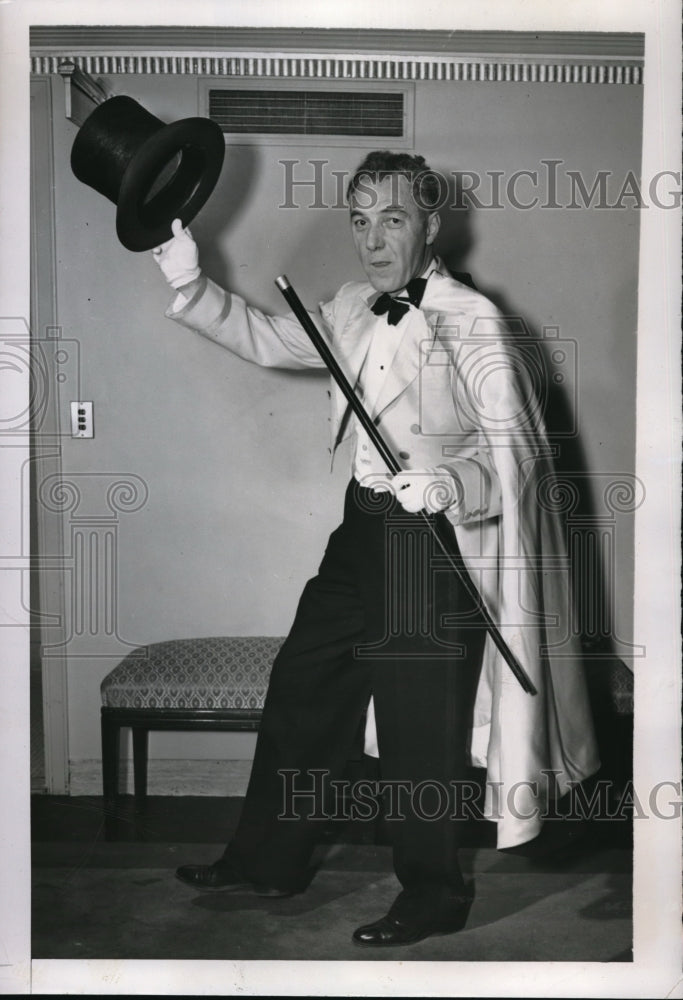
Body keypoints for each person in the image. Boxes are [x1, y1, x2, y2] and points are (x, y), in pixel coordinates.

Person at [152, 150, 599, 947]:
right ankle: (269, 861)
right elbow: (266, 338)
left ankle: (432, 893)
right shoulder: (355, 302)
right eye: (360, 221)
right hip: (360, 531)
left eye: (391, 219)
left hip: (430, 545)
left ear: (431, 224)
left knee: (415, 730)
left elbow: (518, 454)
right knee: (302, 686)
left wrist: (452, 484)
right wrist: (189, 283)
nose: (372, 239)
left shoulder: (473, 320)